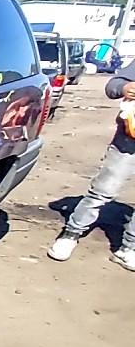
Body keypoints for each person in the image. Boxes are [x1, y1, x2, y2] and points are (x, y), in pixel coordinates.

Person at [48, 60, 135, 268]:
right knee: (103, 191)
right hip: (129, 142)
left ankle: (128, 248)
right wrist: (124, 88)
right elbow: (113, 85)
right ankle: (70, 234)